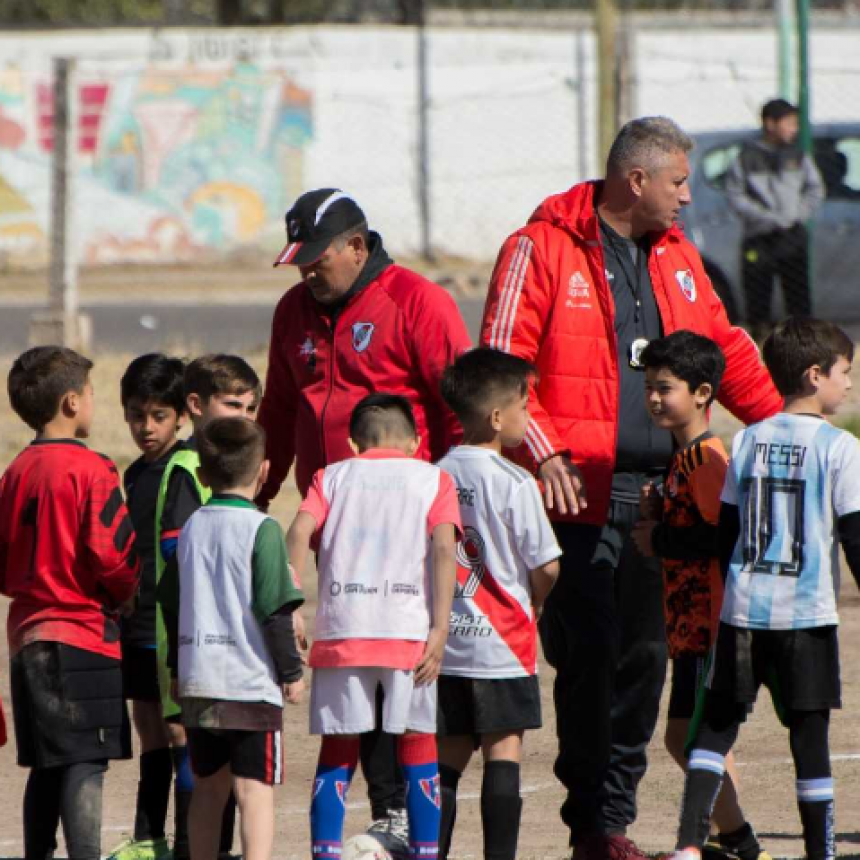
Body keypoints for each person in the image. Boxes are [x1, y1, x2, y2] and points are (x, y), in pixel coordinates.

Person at [480, 116, 783, 860]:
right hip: (572, 505)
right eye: (679, 181)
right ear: (636, 180)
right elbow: (499, 365)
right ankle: (593, 828)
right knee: (588, 662)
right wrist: (544, 450)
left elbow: (725, 352)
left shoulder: (681, 256)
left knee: (644, 665)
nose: (688, 197)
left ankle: (610, 823)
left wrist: (786, 433)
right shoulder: (537, 247)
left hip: (662, 502)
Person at [259, 187, 470, 851]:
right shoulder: (293, 310)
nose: (306, 273)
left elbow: (458, 408)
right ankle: (386, 811)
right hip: (337, 522)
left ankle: (405, 809)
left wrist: (460, 508)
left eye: (317, 259)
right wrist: (252, 498)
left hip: (412, 527)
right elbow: (278, 411)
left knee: (406, 664)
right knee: (354, 657)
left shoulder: (417, 300)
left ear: (357, 246)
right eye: (298, 261)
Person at [666, 316, 860, 860]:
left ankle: (686, 844)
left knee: (715, 730)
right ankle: (819, 852)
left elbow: (727, 533)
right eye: (845, 372)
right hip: (805, 616)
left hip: (743, 613)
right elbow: (855, 537)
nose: (848, 384)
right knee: (809, 740)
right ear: (815, 374)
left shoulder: (746, 439)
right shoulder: (840, 447)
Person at [286, 394, 460, 860]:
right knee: (419, 746)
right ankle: (425, 853)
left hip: (344, 631)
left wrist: (291, 601)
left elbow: (300, 530)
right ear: (417, 443)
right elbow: (446, 549)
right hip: (410, 636)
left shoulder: (333, 476)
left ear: (351, 443)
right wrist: (440, 630)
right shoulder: (434, 479)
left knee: (338, 750)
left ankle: (325, 853)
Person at [630, 331, 767, 860]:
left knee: (692, 740)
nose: (654, 398)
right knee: (696, 741)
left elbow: (724, 536)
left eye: (666, 387)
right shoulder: (682, 460)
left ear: (704, 393)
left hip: (711, 624)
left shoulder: (706, 458)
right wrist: (658, 513)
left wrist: (659, 537)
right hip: (689, 626)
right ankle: (732, 843)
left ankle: (734, 843)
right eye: (648, 387)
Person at [0, 347, 140, 860]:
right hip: (83, 634)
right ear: (72, 401)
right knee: (86, 760)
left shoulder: (14, 473)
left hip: (27, 637)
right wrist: (126, 596)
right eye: (93, 394)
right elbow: (113, 554)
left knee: (46, 760)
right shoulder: (93, 469)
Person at [435, 347, 561, 860]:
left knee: (445, 762)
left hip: (447, 645)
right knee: (503, 754)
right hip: (503, 646)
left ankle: (429, 852)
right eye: (525, 408)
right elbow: (548, 564)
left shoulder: (435, 473)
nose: (528, 418)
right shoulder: (515, 481)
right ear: (495, 417)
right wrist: (537, 599)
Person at [159, 417, 304, 860]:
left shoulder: (191, 531)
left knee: (208, 787)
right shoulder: (262, 530)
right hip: (250, 687)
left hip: (199, 681)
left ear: (202, 476)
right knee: (253, 790)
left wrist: (175, 671)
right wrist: (292, 672)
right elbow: (275, 610)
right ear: (263, 472)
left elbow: (171, 604)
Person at [154, 353, 262, 860]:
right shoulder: (185, 469)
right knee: (200, 763)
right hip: (193, 646)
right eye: (233, 404)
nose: (246, 416)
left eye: (252, 406)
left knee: (213, 764)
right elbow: (178, 556)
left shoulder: (226, 469)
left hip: (220, 647)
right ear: (195, 406)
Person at [108, 354, 188, 860]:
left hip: (173, 626)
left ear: (181, 414)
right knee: (150, 733)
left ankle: (194, 841)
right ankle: (149, 837)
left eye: (158, 415)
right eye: (137, 415)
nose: (147, 426)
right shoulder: (134, 473)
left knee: (181, 732)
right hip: (137, 625)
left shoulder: (185, 469)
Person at [725, 98, 824, 339]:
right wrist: (766, 218)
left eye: (795, 123)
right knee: (757, 299)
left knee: (799, 300)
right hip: (759, 239)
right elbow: (735, 196)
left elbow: (815, 189)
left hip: (792, 236)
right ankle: (759, 347)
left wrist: (796, 214)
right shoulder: (746, 158)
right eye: (789, 123)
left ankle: (802, 345)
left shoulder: (798, 156)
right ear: (770, 124)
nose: (794, 129)